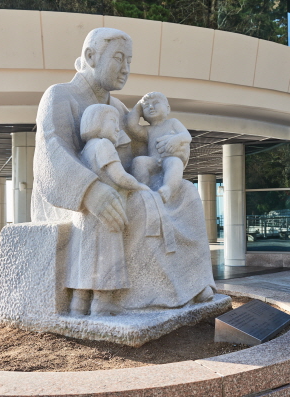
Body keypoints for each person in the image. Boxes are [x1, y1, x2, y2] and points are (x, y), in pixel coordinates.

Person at [32, 28, 215, 316]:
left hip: (117, 185)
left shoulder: (117, 106)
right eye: (118, 58)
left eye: (129, 60)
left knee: (187, 194)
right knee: (142, 204)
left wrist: (168, 150)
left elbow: (136, 155)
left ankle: (194, 283)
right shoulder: (59, 96)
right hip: (73, 200)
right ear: (91, 56)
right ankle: (157, 295)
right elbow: (51, 153)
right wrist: (91, 191)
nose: (126, 69)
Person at [69, 104, 149, 315]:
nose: (117, 128)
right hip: (106, 215)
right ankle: (101, 304)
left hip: (86, 217)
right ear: (97, 124)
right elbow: (119, 176)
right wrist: (140, 186)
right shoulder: (104, 145)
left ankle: (78, 305)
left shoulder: (85, 150)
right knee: (106, 259)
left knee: (85, 260)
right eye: (113, 122)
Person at [125, 92, 192, 203]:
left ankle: (168, 188)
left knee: (175, 163)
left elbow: (186, 136)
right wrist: (138, 107)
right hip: (154, 160)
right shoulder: (148, 130)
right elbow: (132, 126)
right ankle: (143, 189)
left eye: (155, 103)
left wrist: (175, 140)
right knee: (139, 161)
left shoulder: (173, 123)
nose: (151, 107)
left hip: (169, 158)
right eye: (146, 106)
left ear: (167, 109)